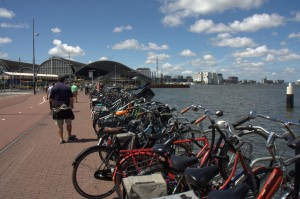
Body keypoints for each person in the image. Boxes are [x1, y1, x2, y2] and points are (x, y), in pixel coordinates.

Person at [50, 75, 76, 144]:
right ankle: (69, 136)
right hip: (66, 107)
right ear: (64, 80)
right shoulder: (67, 87)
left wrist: (54, 104)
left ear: (57, 80)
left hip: (57, 108)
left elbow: (51, 98)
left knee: (60, 126)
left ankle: (61, 139)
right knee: (68, 123)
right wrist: (72, 105)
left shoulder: (54, 87)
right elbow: (71, 98)